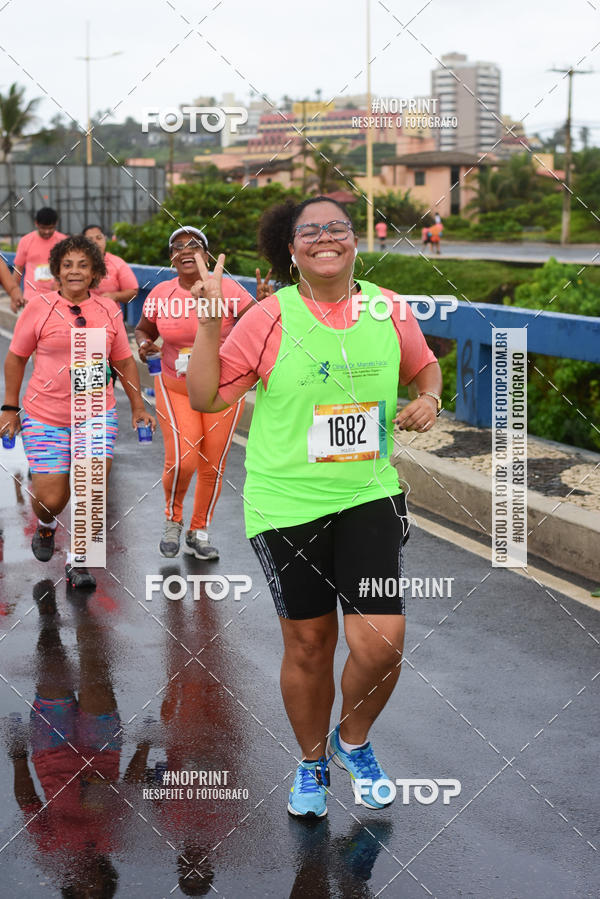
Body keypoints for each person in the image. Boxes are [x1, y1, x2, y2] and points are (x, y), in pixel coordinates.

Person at [186, 196, 443, 818]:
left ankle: (352, 741)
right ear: (291, 248)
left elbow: (426, 368)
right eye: (310, 231)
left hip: (368, 493)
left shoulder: (388, 308)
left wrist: (430, 399)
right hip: (285, 502)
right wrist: (211, 322)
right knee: (309, 642)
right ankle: (310, 762)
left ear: (355, 240)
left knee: (381, 641)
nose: (326, 237)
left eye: (337, 227)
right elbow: (206, 396)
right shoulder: (269, 316)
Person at [0, 235, 155, 590]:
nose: (74, 271)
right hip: (45, 415)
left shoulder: (109, 310)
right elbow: (16, 358)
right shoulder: (39, 307)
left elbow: (123, 362)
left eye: (83, 265)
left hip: (96, 413)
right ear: (56, 270)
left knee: (91, 486)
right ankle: (46, 525)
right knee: (51, 500)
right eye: (67, 265)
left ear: (95, 272)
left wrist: (138, 407)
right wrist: (9, 408)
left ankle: (79, 560)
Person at [134, 226, 264, 561]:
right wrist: (145, 345)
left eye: (194, 245)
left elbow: (257, 328)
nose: (186, 250)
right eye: (178, 246)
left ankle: (199, 530)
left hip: (223, 389)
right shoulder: (161, 293)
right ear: (171, 258)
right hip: (175, 386)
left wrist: (263, 306)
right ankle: (173, 519)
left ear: (206, 254)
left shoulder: (230, 290)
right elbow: (144, 329)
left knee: (212, 464)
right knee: (183, 459)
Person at [10, 207, 67, 310]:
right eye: (43, 228)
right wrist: (14, 297)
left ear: (56, 224)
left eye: (51, 228)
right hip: (32, 296)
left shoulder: (63, 241)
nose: (47, 231)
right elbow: (18, 269)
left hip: (58, 295)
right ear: (36, 223)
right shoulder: (26, 241)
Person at [81, 224, 138, 305]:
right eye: (90, 240)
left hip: (110, 312)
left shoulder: (117, 263)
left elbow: (133, 292)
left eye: (99, 238)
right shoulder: (75, 263)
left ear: (105, 239)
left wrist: (115, 296)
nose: (95, 242)